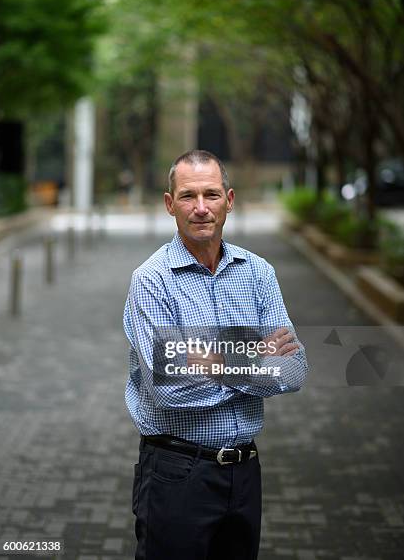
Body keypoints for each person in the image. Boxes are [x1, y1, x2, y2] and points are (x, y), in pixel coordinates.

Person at [123, 150, 308, 560]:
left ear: (230, 199)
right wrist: (255, 358)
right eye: (188, 196)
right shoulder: (151, 282)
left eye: (211, 194)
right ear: (170, 204)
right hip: (177, 473)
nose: (201, 208)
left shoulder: (258, 272)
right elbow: (167, 392)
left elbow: (295, 369)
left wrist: (212, 362)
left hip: (244, 474)